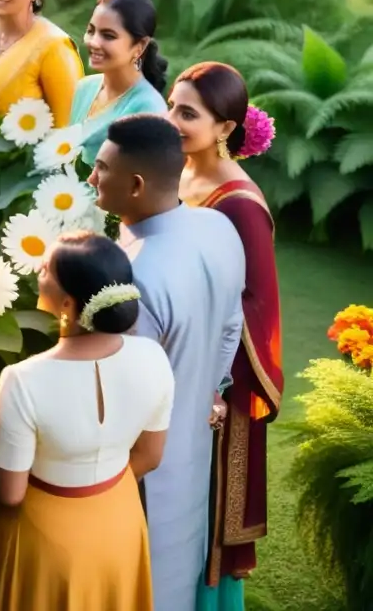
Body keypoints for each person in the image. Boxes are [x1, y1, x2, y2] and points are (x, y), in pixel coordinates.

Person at [88, 113, 246, 611]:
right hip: (196, 445)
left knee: (139, 584)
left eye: (100, 168)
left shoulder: (131, 276)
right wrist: (210, 390)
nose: (92, 178)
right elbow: (231, 325)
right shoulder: (218, 227)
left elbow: (122, 391)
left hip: (139, 467)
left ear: (134, 185)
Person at [0, 231, 174, 610]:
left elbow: (10, 492)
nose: (39, 270)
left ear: (67, 303)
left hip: (47, 536)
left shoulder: (23, 380)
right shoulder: (154, 357)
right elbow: (150, 456)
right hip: (119, 520)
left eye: (46, 269)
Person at [167, 62, 283, 610]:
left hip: (221, 383)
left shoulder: (240, 203)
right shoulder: (182, 172)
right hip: (175, 353)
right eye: (171, 105)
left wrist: (218, 380)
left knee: (208, 506)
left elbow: (257, 303)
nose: (172, 119)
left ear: (225, 129)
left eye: (187, 113)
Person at [70, 0, 169, 165]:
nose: (94, 42)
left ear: (140, 46)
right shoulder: (84, 88)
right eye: (91, 31)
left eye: (108, 36)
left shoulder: (149, 109)